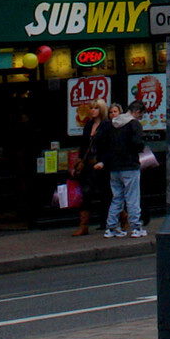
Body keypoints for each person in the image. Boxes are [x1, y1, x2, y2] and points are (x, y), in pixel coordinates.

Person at [102, 96, 147, 238]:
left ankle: (111, 227)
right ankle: (136, 227)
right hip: (130, 165)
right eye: (141, 114)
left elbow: (106, 144)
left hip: (114, 167)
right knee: (132, 197)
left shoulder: (112, 124)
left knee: (117, 198)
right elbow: (138, 144)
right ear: (137, 111)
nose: (141, 117)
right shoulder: (134, 125)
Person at [71, 101, 107, 237]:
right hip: (88, 165)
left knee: (105, 194)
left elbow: (109, 146)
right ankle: (83, 225)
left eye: (96, 108)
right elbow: (83, 146)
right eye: (91, 108)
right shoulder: (88, 125)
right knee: (86, 193)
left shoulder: (106, 125)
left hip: (101, 165)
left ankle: (121, 217)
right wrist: (77, 163)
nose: (93, 110)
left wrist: (103, 161)